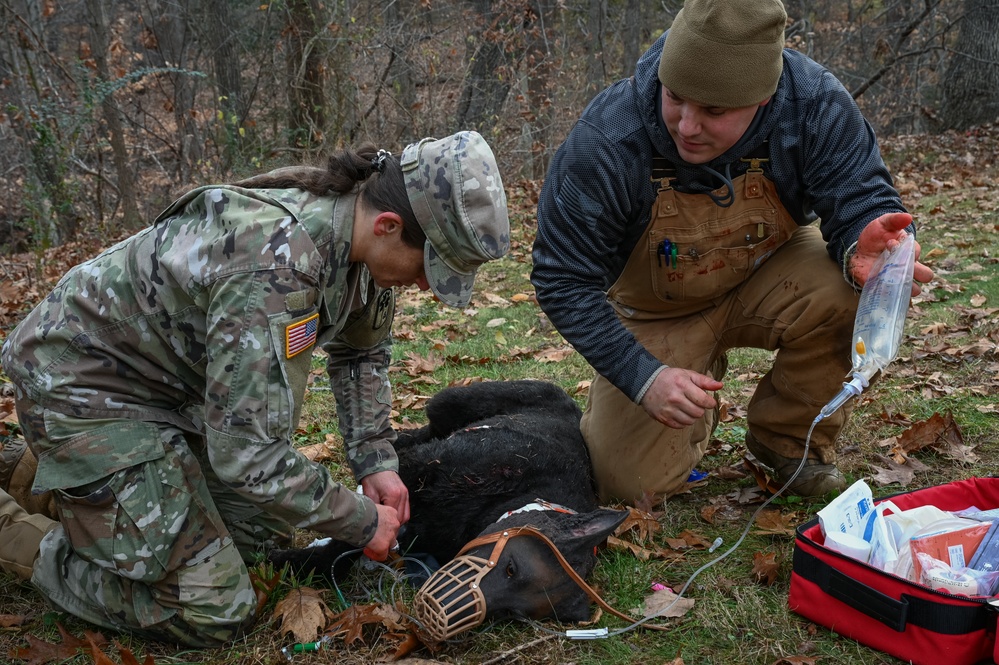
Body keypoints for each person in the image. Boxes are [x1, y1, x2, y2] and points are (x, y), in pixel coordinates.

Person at [0, 130, 510, 646]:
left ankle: (43, 476)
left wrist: (375, 460)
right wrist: (358, 520)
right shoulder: (276, 268)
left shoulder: (363, 250)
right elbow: (247, 456)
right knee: (213, 606)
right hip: (78, 388)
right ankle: (20, 528)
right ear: (388, 225)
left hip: (165, 393)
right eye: (428, 268)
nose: (425, 286)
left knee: (257, 538)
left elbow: (362, 354)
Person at [531, 0, 934, 505]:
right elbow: (560, 277)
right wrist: (643, 377)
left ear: (763, 99)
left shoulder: (812, 103)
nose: (687, 126)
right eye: (675, 97)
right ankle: (685, 394)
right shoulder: (608, 140)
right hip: (659, 313)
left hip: (772, 274)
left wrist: (867, 241)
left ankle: (786, 446)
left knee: (850, 292)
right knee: (627, 487)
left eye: (714, 111)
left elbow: (862, 197)